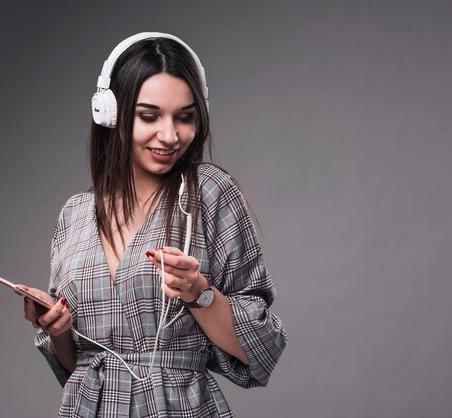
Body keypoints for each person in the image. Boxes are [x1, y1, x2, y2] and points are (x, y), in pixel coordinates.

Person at [19, 32, 287, 417]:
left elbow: (262, 348)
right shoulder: (75, 215)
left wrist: (197, 291)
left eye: (185, 117)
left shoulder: (209, 194)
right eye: (149, 116)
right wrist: (57, 328)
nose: (170, 135)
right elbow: (75, 364)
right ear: (110, 113)